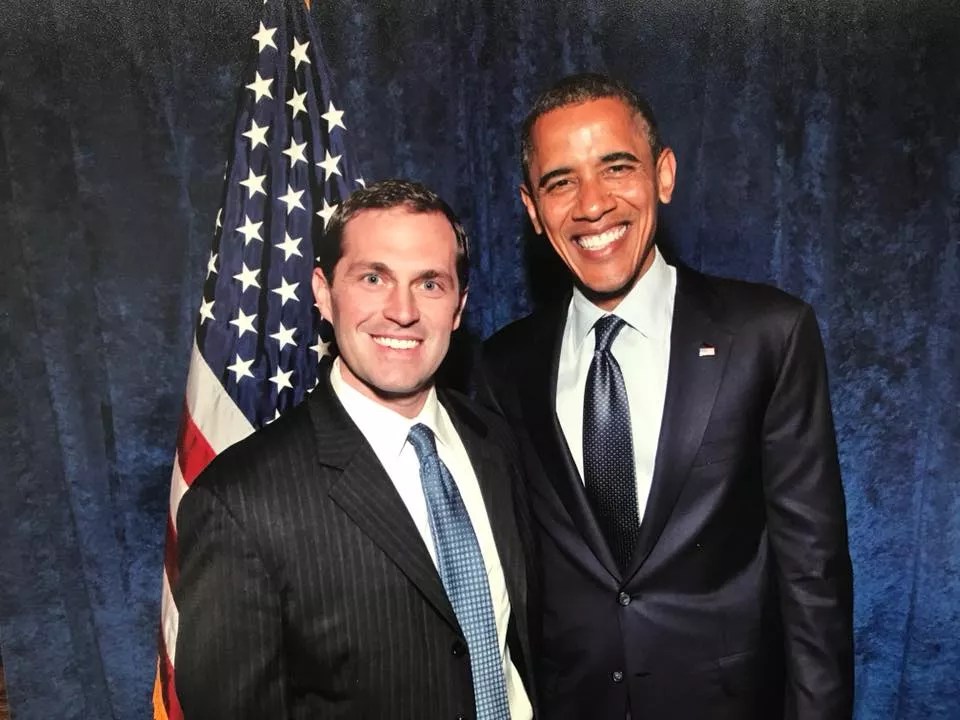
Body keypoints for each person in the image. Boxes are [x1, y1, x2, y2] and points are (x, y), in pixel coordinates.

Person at [481, 73, 854, 719]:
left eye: (616, 168)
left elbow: (812, 572)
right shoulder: (501, 367)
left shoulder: (767, 334)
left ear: (664, 175)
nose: (592, 205)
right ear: (533, 209)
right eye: (560, 182)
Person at [175, 179, 536, 719]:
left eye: (430, 283)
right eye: (373, 278)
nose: (402, 311)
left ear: (459, 306)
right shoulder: (238, 503)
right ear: (323, 292)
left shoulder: (496, 442)